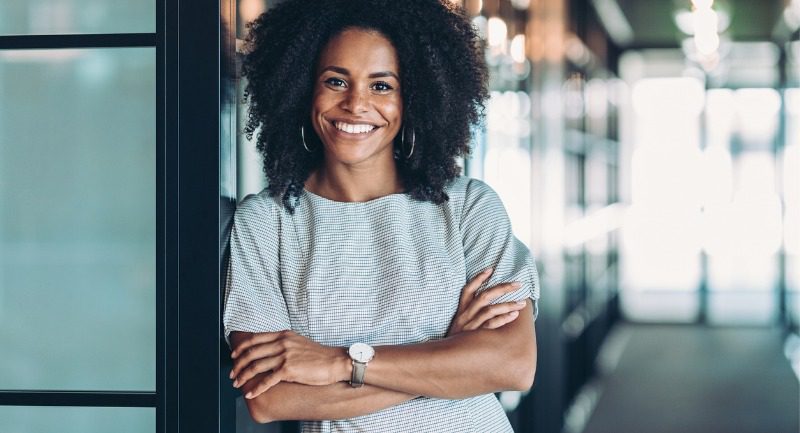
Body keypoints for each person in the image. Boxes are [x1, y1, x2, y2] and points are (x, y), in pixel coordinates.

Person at [223, 0, 540, 431]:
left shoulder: (468, 209)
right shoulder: (266, 224)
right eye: (336, 81)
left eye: (382, 86)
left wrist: (339, 363)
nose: (356, 104)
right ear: (301, 89)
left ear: (414, 99)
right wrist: (448, 353)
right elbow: (271, 397)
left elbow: (512, 364)